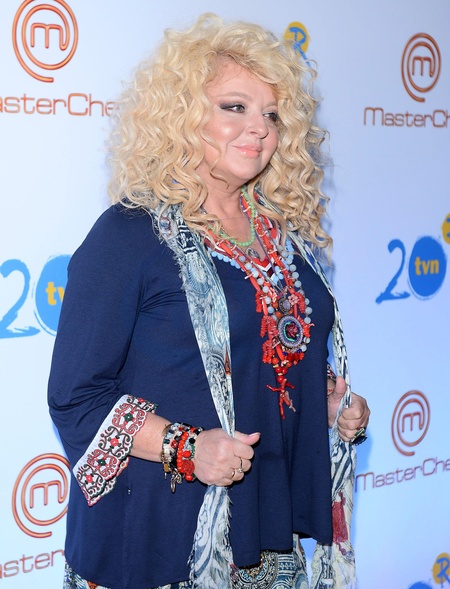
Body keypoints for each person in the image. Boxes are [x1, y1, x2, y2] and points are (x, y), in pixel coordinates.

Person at [48, 13, 370, 589]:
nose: (259, 129)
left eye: (272, 114)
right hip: (161, 541)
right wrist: (184, 446)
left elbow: (265, 357)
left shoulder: (285, 236)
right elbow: (76, 398)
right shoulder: (130, 235)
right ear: (182, 114)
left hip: (273, 532)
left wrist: (322, 403)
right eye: (234, 107)